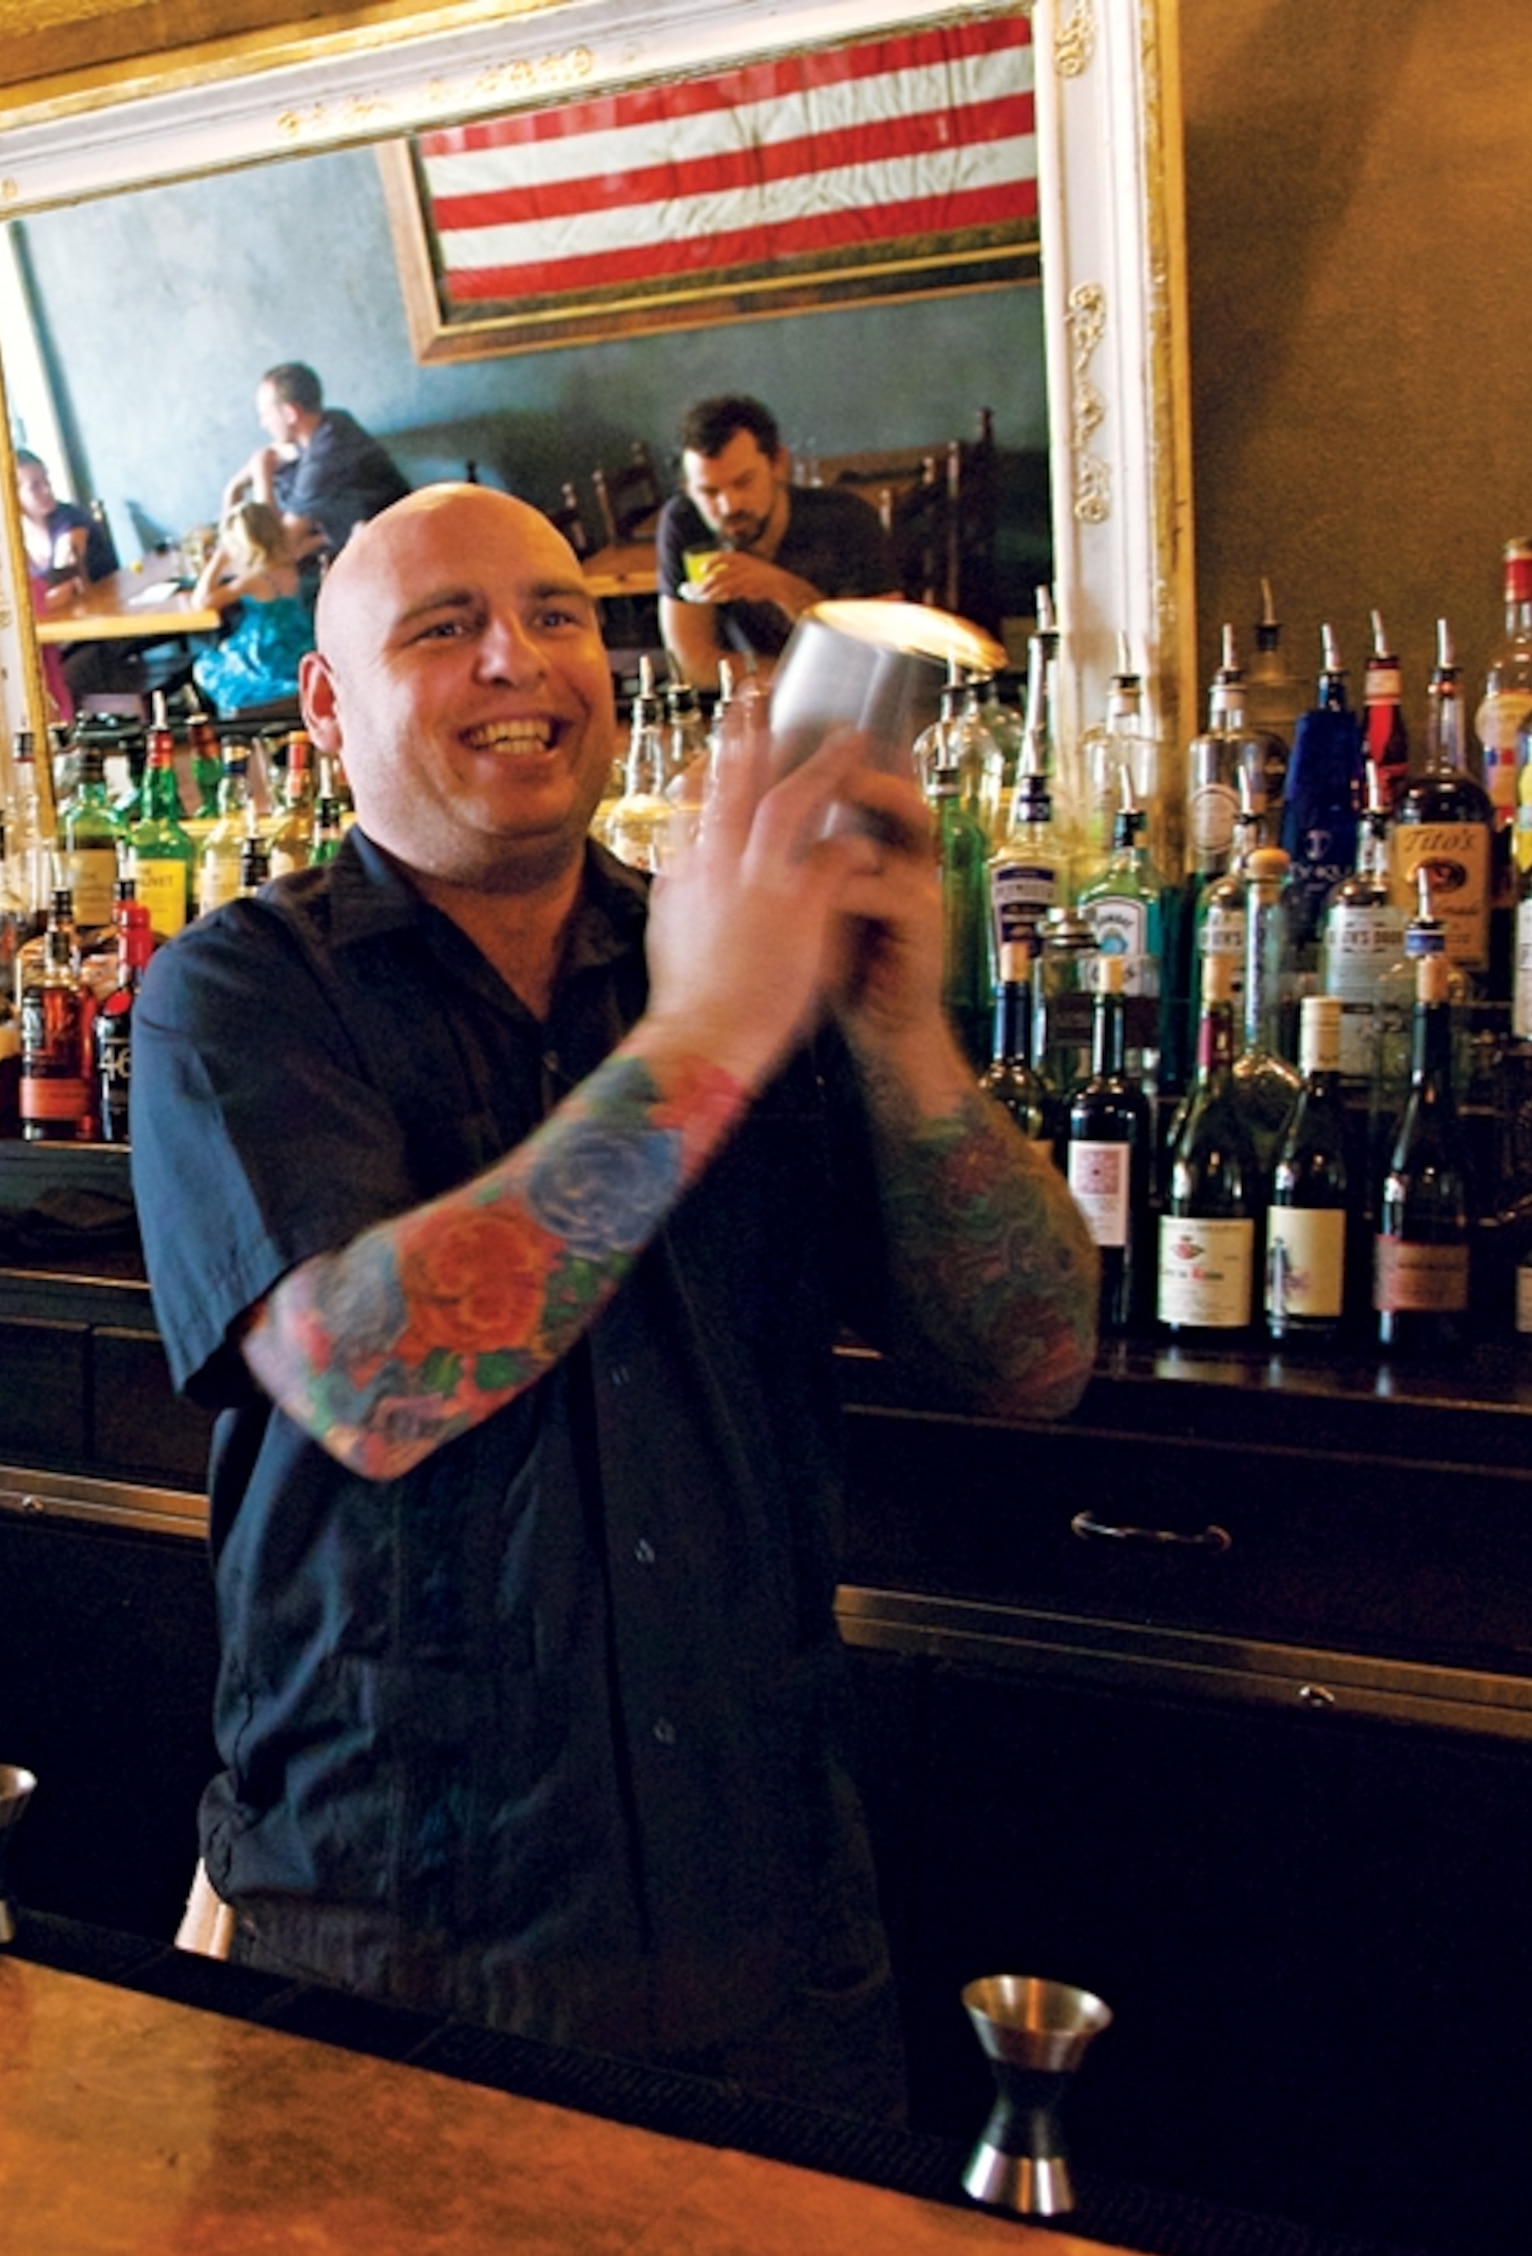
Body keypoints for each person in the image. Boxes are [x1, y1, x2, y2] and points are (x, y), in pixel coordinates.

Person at [129, 485, 1092, 2112]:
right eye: (444, 629)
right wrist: (712, 1025)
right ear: (323, 703)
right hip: (384, 1952)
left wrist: (900, 1030)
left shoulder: (735, 960)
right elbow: (373, 1377)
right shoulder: (239, 991)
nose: (520, 659)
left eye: (557, 613)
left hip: (769, 1937)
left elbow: (1031, 1352)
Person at [656, 393, 902, 691]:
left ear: (778, 464)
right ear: (688, 489)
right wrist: (800, 680)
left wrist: (784, 589)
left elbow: (883, 653)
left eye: (743, 482)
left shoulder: (846, 519)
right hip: (753, 702)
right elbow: (691, 663)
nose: (729, 506)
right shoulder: (685, 523)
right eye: (708, 492)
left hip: (851, 702)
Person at [219, 362, 411, 577]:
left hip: (395, 557)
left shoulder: (325, 458)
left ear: (291, 413)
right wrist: (234, 487)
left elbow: (277, 550)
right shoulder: (334, 423)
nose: (264, 423)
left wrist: (262, 474)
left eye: (266, 414)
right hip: (367, 544)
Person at [184, 500, 318, 716]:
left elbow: (202, 601)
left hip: (266, 653)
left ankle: (232, 719)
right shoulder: (289, 566)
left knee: (208, 666)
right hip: (298, 644)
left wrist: (217, 561)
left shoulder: (254, 578)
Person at [16, 449, 118, 612]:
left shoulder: (70, 520)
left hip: (105, 615)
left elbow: (66, 585)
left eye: (46, 481)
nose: (47, 490)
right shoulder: (14, 538)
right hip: (61, 623)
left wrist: (39, 603)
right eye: (35, 486)